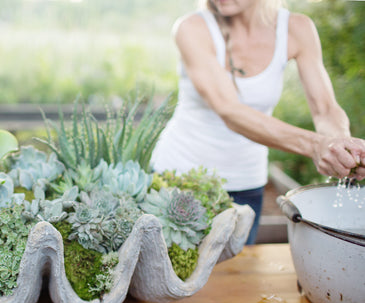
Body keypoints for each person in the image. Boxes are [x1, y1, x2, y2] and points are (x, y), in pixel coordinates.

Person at [151, 0, 365, 244]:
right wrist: (316, 145)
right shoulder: (192, 28)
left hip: (246, 185)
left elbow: (325, 108)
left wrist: (343, 146)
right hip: (178, 180)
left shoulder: (297, 28)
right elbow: (230, 110)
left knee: (238, 278)